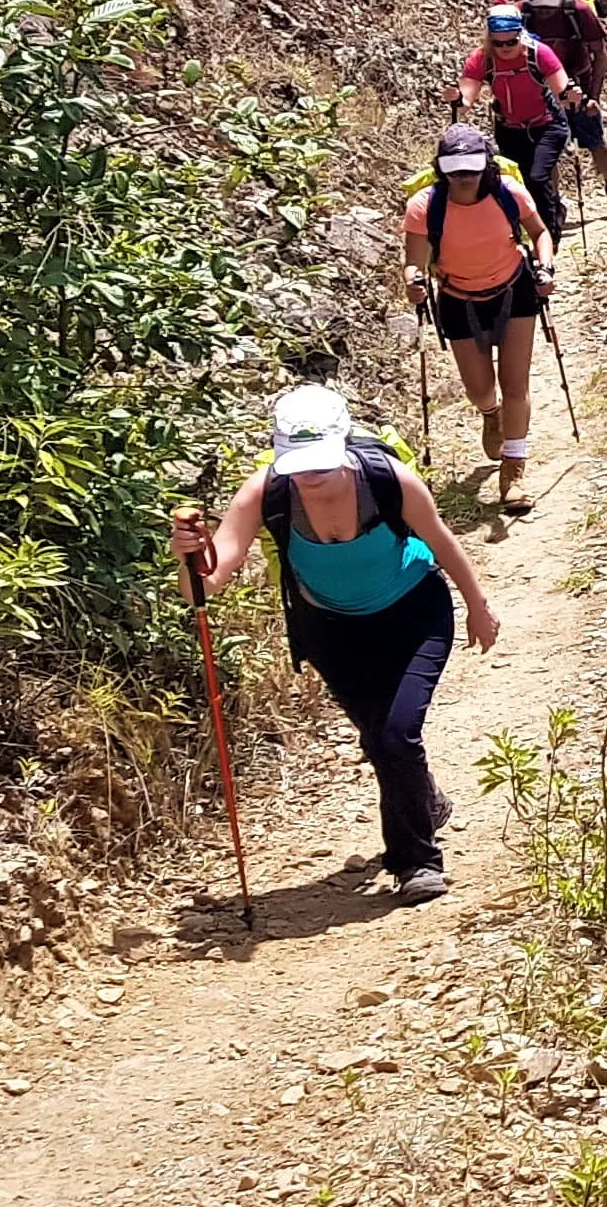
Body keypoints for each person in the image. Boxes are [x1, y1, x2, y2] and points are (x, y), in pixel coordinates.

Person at [177, 382, 497, 904]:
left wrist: (478, 608)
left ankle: (416, 862)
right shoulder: (266, 493)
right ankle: (424, 800)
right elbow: (205, 586)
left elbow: (441, 540)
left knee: (394, 737)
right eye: (298, 462)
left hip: (414, 613)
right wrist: (188, 556)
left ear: (344, 443)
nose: (309, 473)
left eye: (320, 460)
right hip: (330, 631)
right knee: (379, 739)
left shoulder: (389, 479)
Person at [406, 125, 557, 505]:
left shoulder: (510, 193)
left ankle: (512, 474)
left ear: (486, 165)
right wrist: (413, 281)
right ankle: (491, 414)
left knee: (515, 383)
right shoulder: (425, 205)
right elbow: (413, 262)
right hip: (458, 298)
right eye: (455, 169)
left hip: (514, 290)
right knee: (478, 389)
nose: (464, 177)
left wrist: (546, 267)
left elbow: (539, 233)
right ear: (442, 169)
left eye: (471, 168)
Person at [459, 0, 581, 243]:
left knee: (537, 178)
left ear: (520, 35)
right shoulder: (483, 58)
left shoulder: (539, 53)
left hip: (547, 123)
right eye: (498, 43)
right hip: (510, 129)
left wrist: (571, 96)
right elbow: (466, 100)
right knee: (518, 183)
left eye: (511, 42)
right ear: (489, 39)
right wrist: (456, 98)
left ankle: (548, 240)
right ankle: (532, 228)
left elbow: (562, 92)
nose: (504, 47)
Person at [524, 0, 607, 217]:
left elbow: (600, 55)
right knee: (548, 149)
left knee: (596, 141)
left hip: (579, 85)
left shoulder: (577, 11)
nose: (545, 11)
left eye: (550, 5)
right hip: (541, 92)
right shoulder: (522, 15)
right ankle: (554, 204)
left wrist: (594, 97)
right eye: (540, 5)